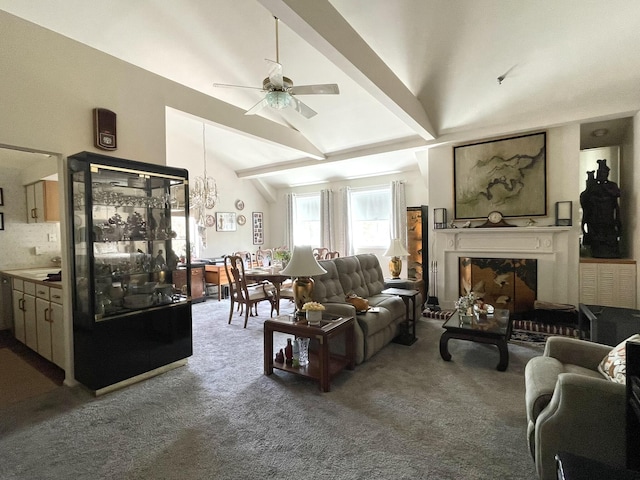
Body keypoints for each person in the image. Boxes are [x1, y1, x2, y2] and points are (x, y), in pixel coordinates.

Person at [580, 159, 621, 258]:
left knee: (608, 236)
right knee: (596, 238)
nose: (601, 175)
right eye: (599, 173)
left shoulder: (611, 186)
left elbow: (616, 196)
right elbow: (584, 199)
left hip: (608, 217)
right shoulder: (593, 187)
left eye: (603, 173)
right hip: (595, 218)